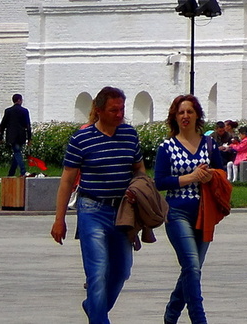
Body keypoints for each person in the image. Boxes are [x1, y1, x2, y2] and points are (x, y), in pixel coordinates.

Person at [51, 85, 145, 324]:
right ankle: (99, 318)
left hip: (122, 212)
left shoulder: (129, 135)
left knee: (122, 270)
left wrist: (141, 194)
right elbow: (67, 181)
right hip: (92, 210)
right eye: (114, 110)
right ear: (99, 110)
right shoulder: (82, 139)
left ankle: (94, 307)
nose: (119, 114)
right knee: (98, 271)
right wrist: (59, 219)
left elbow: (139, 171)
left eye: (122, 109)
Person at [155, 93, 218, 324]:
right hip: (177, 211)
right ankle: (199, 319)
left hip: (204, 213)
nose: (185, 116)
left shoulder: (209, 145)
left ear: (197, 115)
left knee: (193, 269)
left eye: (189, 111)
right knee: (191, 264)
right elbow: (160, 182)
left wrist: (209, 175)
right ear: (175, 117)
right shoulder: (167, 147)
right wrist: (190, 177)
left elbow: (221, 175)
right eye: (181, 112)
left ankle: (171, 312)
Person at [2, 93, 31, 177]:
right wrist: (29, 138)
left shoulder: (8, 111)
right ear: (19, 100)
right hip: (21, 135)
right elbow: (28, 125)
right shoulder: (24, 111)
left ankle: (11, 173)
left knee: (16, 153)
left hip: (11, 135)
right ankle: (23, 171)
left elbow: (3, 124)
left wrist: (0, 136)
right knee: (17, 152)